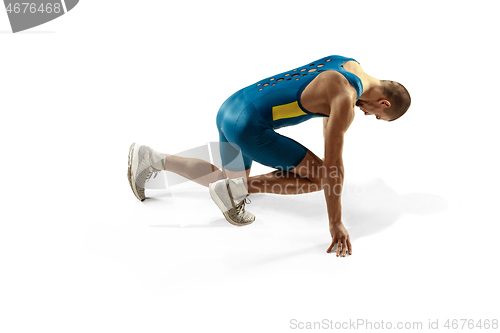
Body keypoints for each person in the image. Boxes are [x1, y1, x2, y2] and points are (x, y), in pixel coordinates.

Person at [127, 55, 411, 257]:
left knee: (224, 178)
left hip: (231, 107)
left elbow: (327, 126)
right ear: (383, 103)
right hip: (249, 127)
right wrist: (335, 221)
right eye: (377, 115)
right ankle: (235, 189)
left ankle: (153, 158)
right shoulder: (346, 99)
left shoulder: (348, 63)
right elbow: (333, 168)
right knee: (322, 178)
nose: (367, 114)